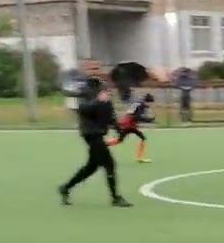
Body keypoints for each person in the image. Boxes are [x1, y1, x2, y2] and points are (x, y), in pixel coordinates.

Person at [59, 78, 132, 207]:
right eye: (106, 92)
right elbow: (83, 110)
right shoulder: (92, 103)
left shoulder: (106, 104)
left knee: (91, 167)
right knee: (109, 164)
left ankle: (65, 188)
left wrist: (120, 132)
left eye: (109, 92)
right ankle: (115, 198)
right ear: (100, 92)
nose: (109, 94)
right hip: (92, 135)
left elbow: (111, 118)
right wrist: (98, 102)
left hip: (97, 136)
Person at [106, 92, 155, 163]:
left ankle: (140, 158)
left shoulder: (139, 103)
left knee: (122, 140)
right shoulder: (142, 105)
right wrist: (149, 120)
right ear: (148, 101)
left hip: (128, 124)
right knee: (120, 140)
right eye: (151, 103)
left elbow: (133, 114)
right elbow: (137, 117)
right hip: (128, 125)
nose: (151, 105)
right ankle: (102, 145)